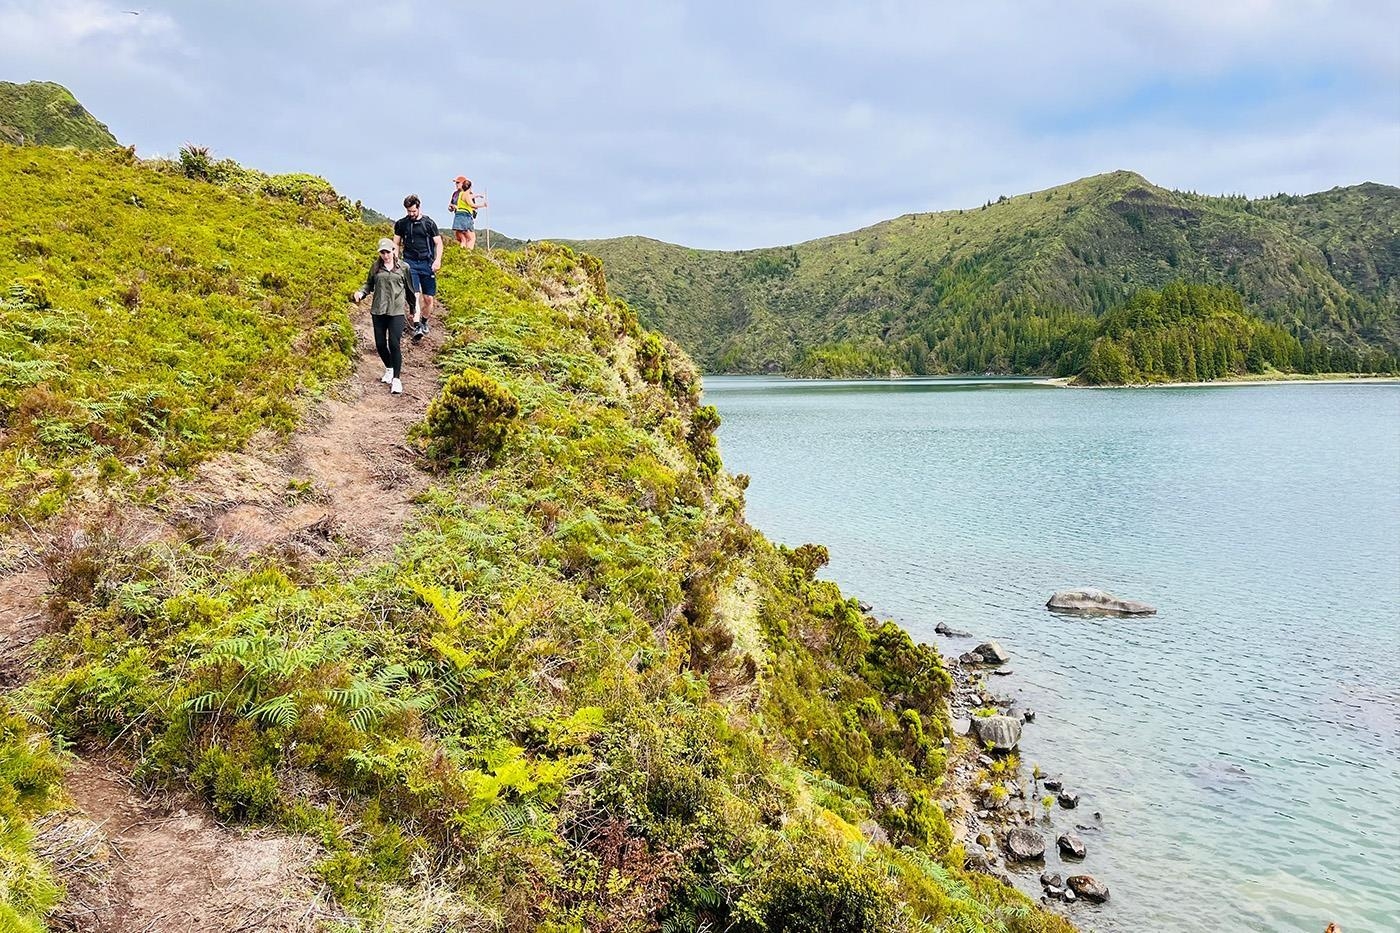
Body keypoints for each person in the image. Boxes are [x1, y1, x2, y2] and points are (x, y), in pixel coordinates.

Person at [352, 237, 416, 395]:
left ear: (393, 251)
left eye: (387, 252)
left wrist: (413, 308)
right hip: (378, 310)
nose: (385, 255)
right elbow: (369, 284)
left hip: (396, 311)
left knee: (394, 343)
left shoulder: (404, 267)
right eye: (382, 253)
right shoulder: (376, 267)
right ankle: (389, 368)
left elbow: (410, 289)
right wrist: (361, 293)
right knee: (380, 344)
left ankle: (397, 379)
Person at [393, 194, 442, 342]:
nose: (411, 214)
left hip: (427, 263)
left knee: (428, 299)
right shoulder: (401, 224)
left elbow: (438, 243)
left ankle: (424, 321)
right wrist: (395, 260)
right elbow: (396, 243)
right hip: (410, 263)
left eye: (413, 211)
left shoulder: (429, 224)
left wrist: (437, 260)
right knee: (414, 295)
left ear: (419, 208)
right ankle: (416, 325)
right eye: (409, 211)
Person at [448, 176, 486, 250]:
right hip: (464, 217)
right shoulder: (456, 194)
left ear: (463, 183)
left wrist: (478, 196)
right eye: (456, 183)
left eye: (458, 183)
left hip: (459, 218)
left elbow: (470, 201)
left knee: (464, 240)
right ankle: (467, 254)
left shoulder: (462, 194)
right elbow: (471, 204)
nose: (456, 184)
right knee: (469, 239)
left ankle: (461, 254)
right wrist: (482, 205)